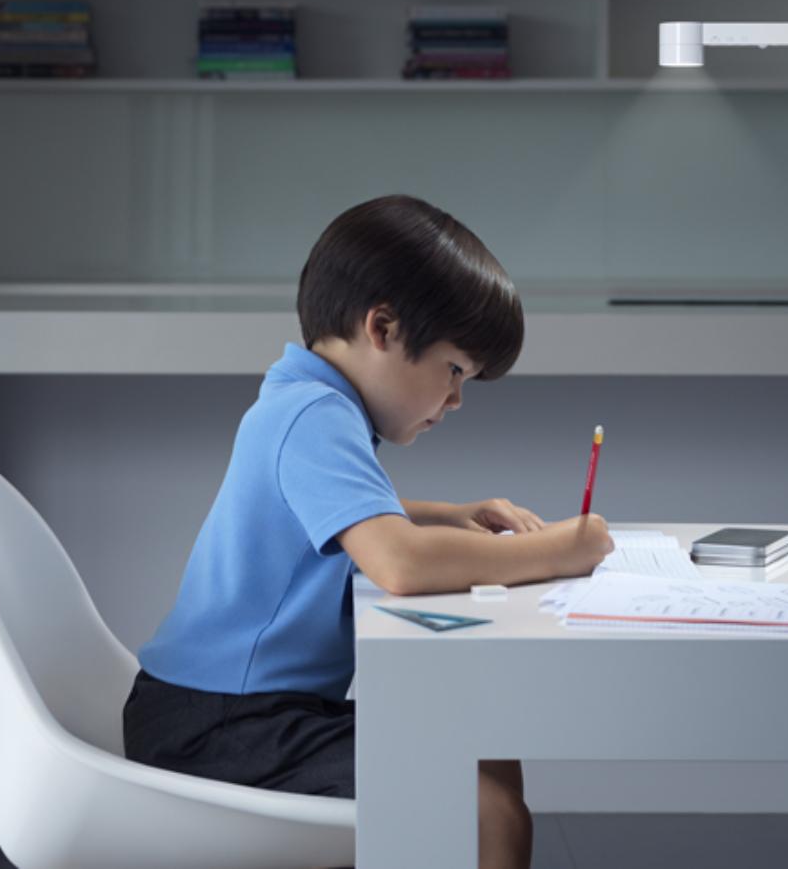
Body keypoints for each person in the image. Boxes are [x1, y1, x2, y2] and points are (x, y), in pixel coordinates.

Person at [124, 194, 614, 869]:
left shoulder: (309, 402)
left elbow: (336, 515)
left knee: (485, 746)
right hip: (221, 723)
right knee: (485, 808)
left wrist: (450, 512)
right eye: (453, 371)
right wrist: (563, 548)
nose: (455, 401)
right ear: (383, 327)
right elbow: (398, 562)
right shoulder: (315, 413)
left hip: (238, 711)